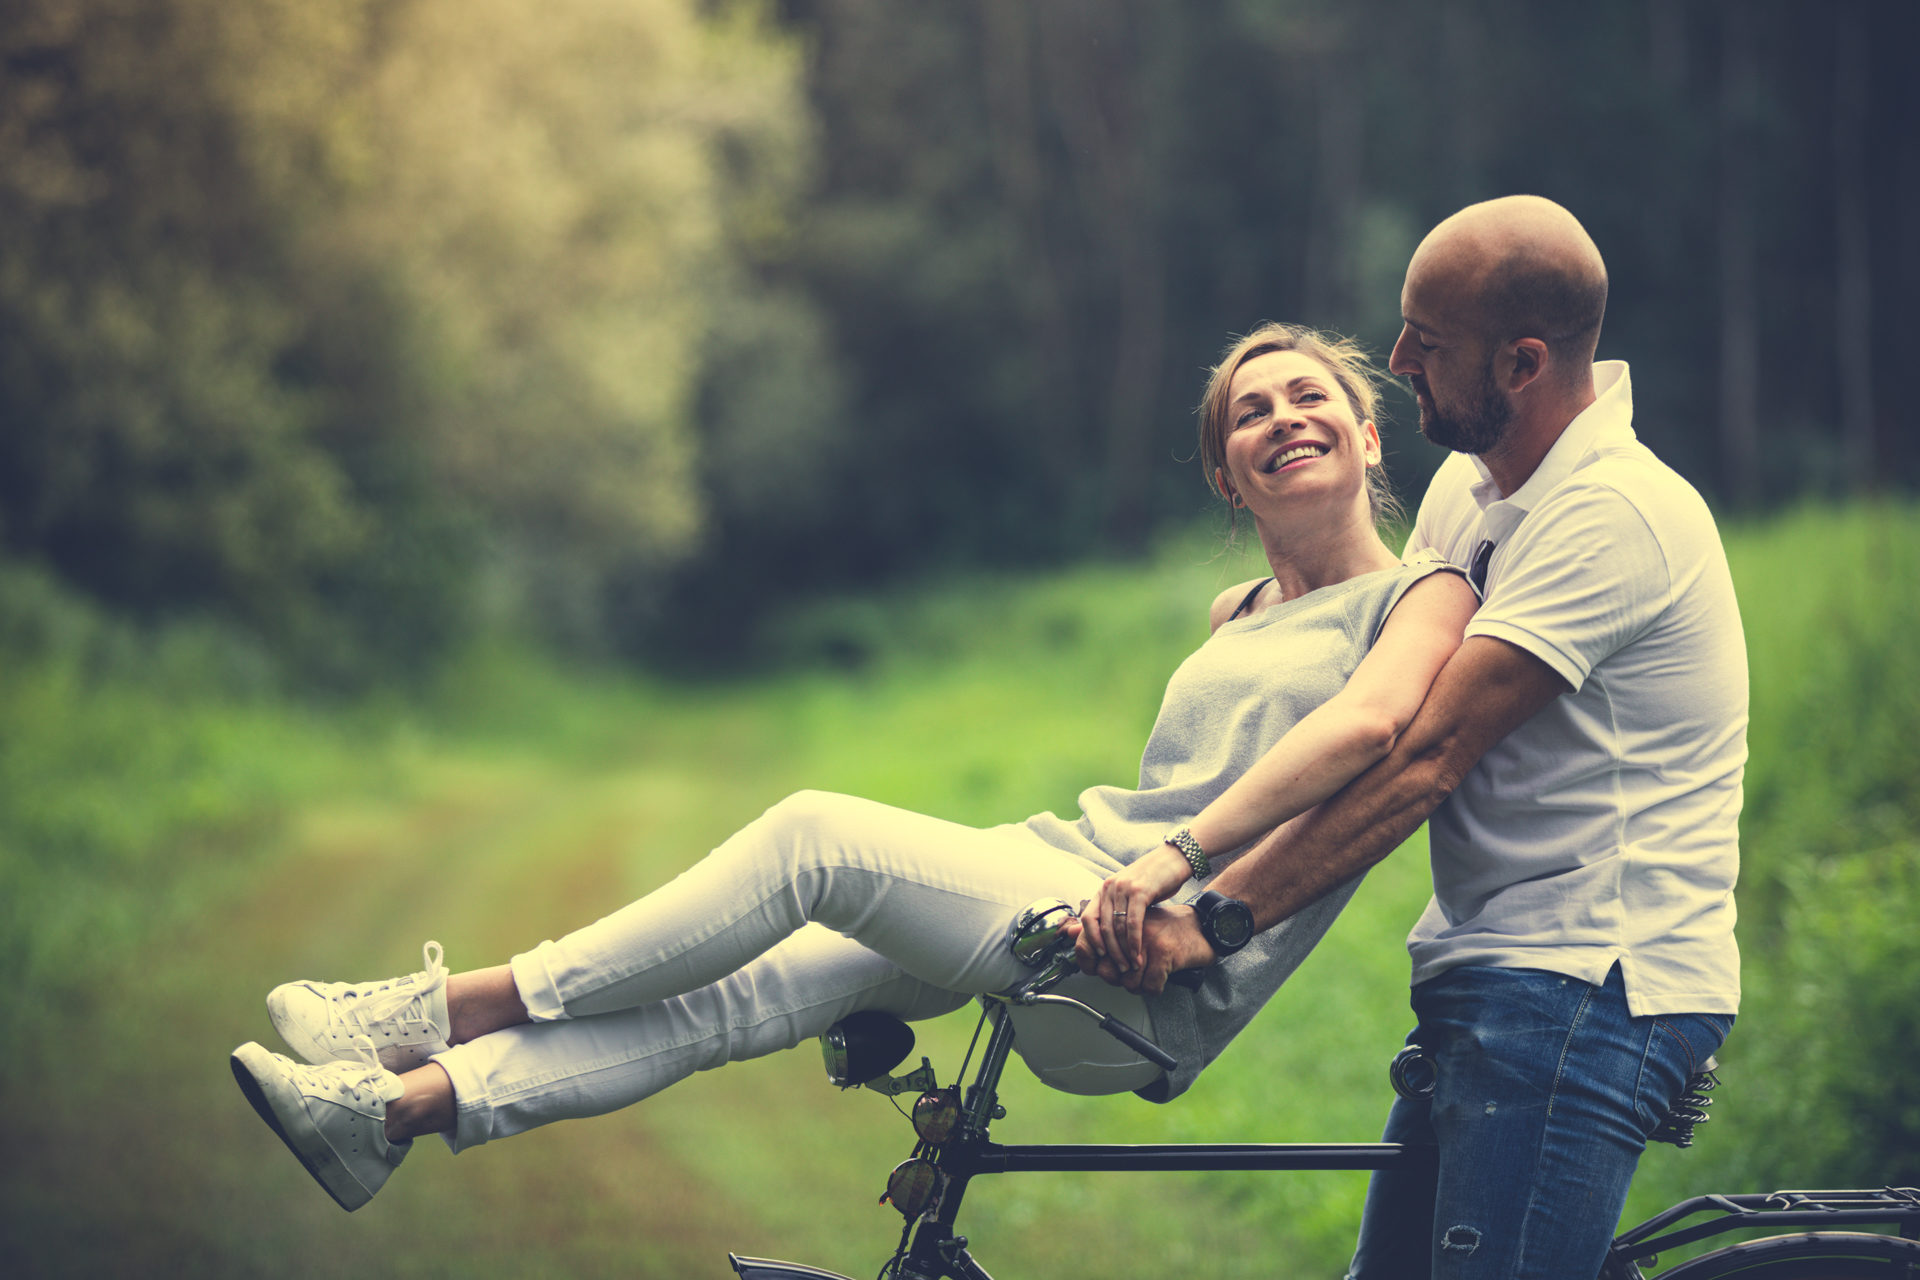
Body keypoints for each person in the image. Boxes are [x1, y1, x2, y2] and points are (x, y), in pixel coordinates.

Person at [229, 324, 1480, 1212]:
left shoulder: (1420, 592)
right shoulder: (1237, 608)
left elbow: (1369, 734)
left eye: (1309, 398)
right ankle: (385, 1115)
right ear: (1227, 473)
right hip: (1065, 880)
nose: (1283, 420)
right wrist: (1137, 857)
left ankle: (431, 1010)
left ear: (1368, 435)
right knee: (741, 997)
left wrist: (1180, 871)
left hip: (1145, 966)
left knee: (813, 835)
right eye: (1249, 414)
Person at [1090, 196, 1747, 1279]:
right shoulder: (1468, 489)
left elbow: (1423, 756)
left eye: (1427, 342)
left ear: (1524, 362)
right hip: (1487, 967)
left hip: (1588, 977)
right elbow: (1369, 682)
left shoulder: (1617, 514)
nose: (1395, 360)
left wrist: (1213, 916)